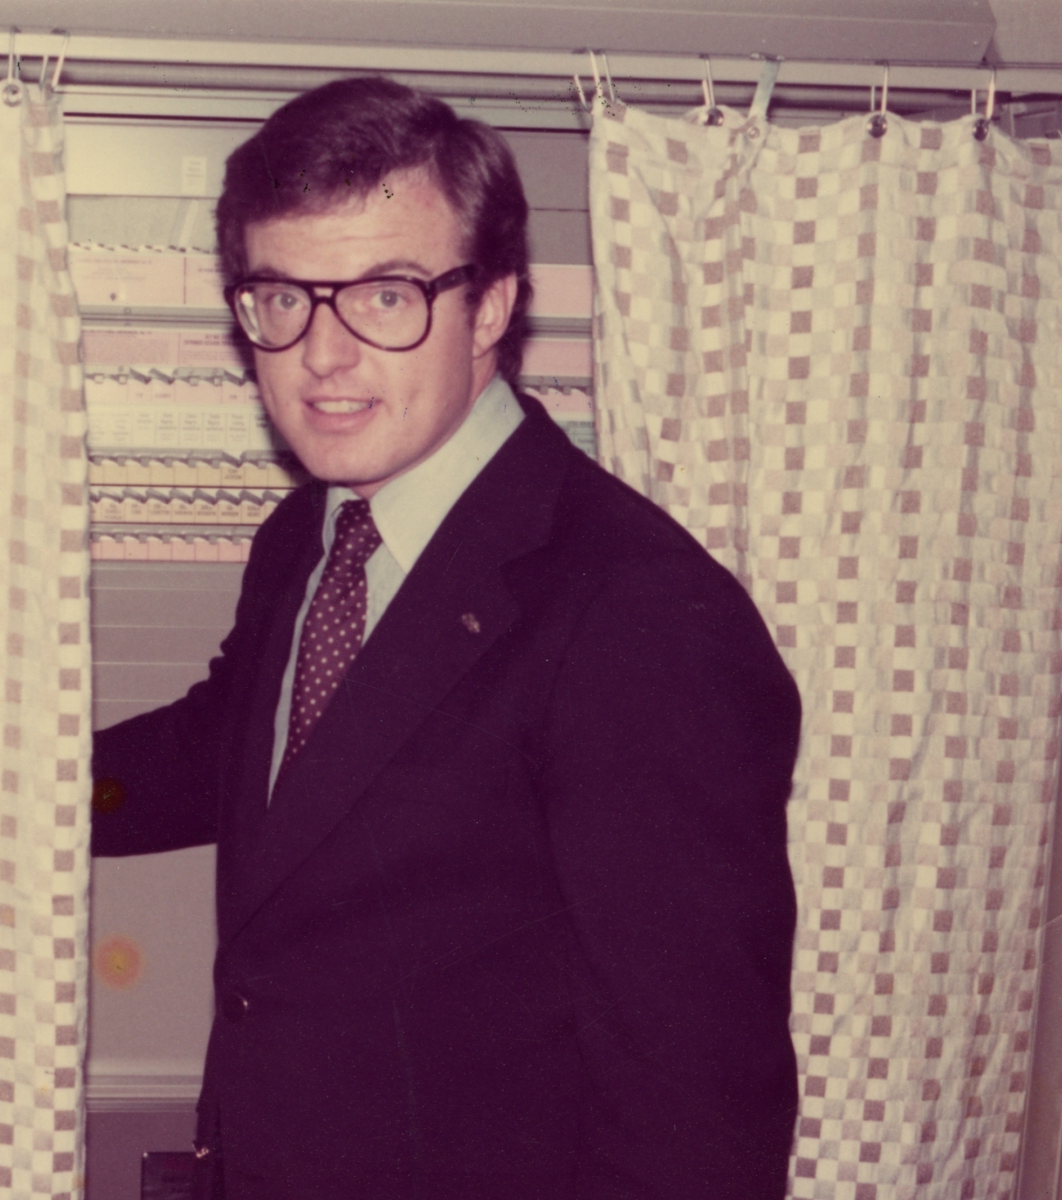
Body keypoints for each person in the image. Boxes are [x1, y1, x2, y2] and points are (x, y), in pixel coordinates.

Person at [90, 76, 801, 1200]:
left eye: (385, 294)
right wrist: (20, 801)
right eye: (282, 296)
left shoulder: (643, 617)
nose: (321, 355)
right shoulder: (309, 532)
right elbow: (233, 747)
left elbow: (694, 1096)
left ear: (490, 307)